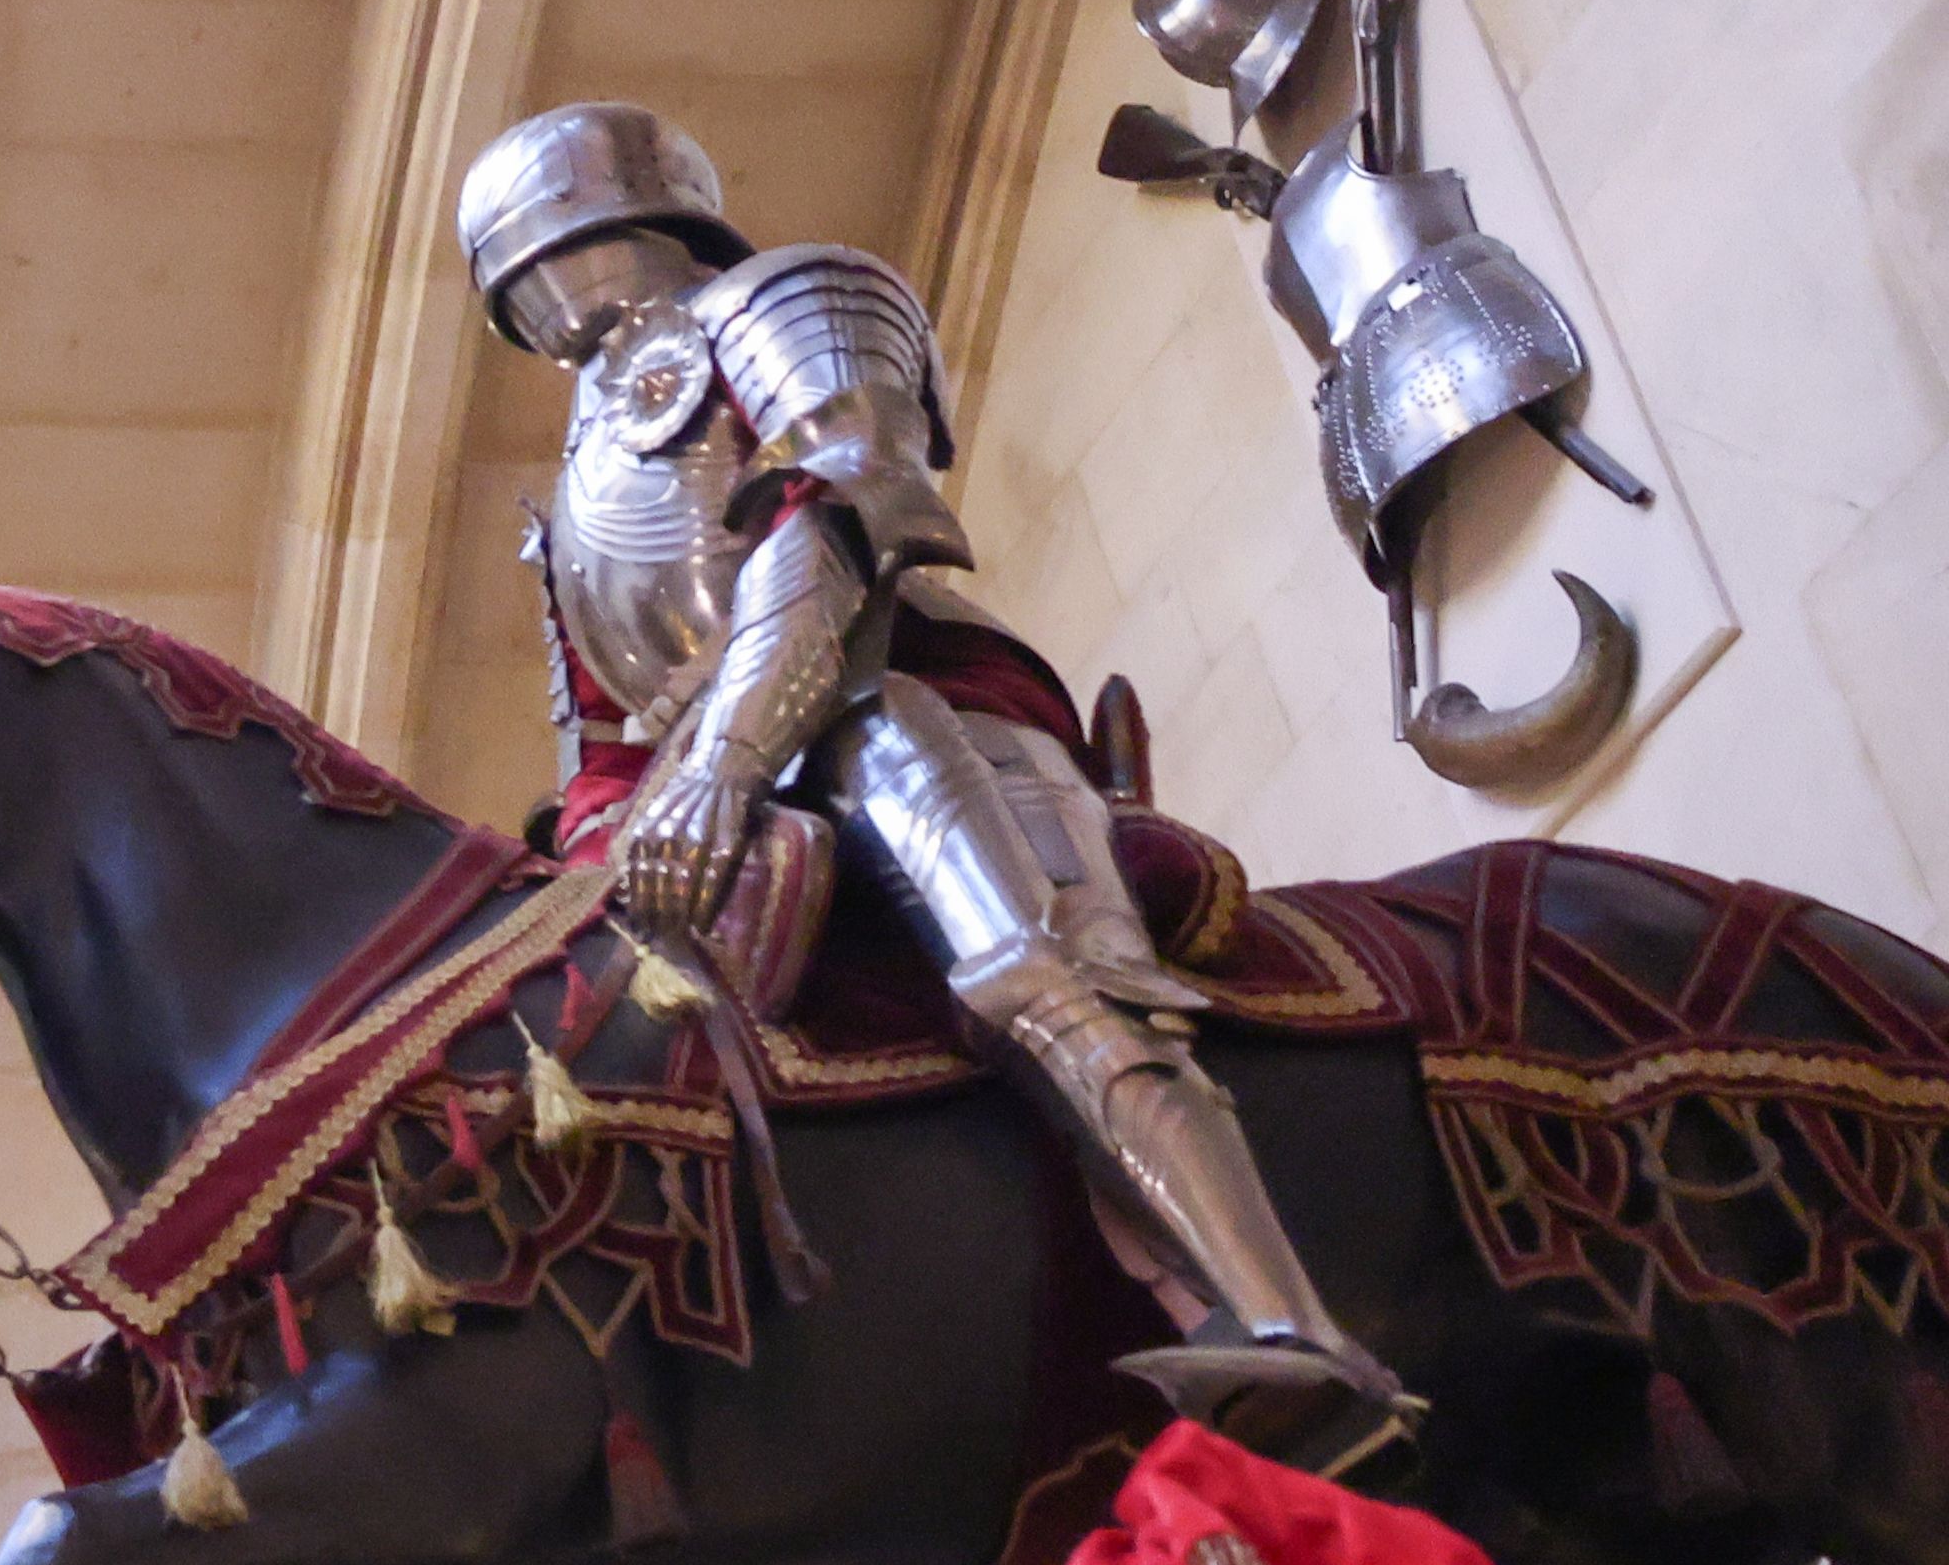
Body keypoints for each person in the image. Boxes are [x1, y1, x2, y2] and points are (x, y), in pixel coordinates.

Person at [456, 96, 1393, 1432]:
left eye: (538, 259)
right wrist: (590, 880)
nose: (541, 304)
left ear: (614, 224)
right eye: (514, 289)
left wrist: (723, 768)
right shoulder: (567, 504)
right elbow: (605, 745)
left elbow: (836, 516)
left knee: (1036, 962)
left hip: (899, 693)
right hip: (720, 796)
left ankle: (1288, 1324)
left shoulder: (788, 301)